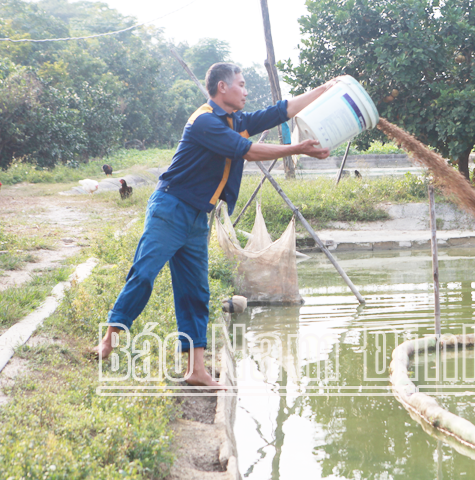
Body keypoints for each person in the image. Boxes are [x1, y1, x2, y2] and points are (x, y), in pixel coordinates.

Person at [92, 62, 335, 387]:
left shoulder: (237, 121)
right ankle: (108, 342)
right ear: (223, 88)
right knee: (144, 274)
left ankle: (197, 371)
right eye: (242, 84)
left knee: (195, 292)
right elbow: (245, 152)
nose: (246, 91)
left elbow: (280, 112)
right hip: (170, 208)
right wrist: (297, 150)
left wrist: (323, 89)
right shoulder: (204, 121)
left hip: (197, 218)